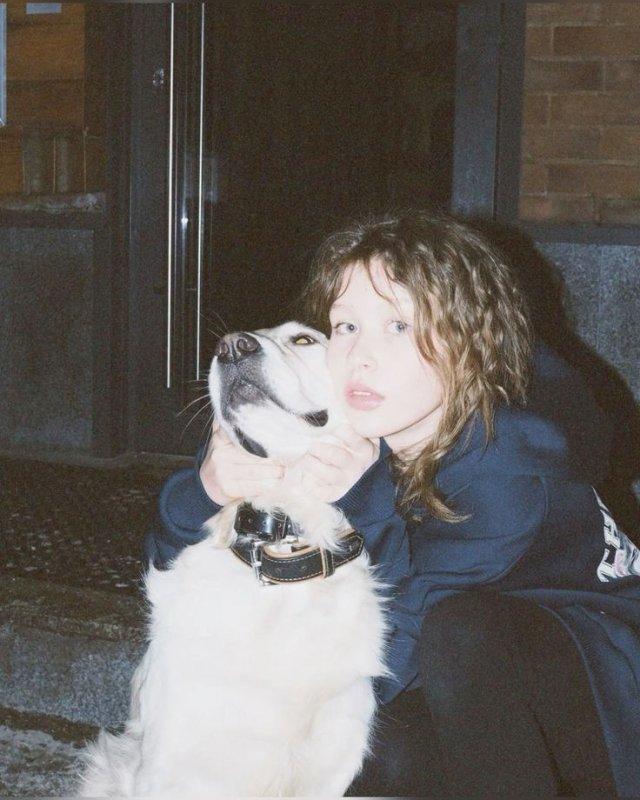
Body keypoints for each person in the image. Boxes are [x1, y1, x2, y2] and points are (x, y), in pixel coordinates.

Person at [143, 210, 640, 798]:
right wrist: (205, 490)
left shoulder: (507, 473)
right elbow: (170, 562)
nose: (361, 355)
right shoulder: (372, 430)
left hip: (601, 696)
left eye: (398, 326)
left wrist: (366, 501)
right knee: (378, 753)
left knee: (452, 641)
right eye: (346, 326)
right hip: (471, 680)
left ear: (467, 344)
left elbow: (396, 648)